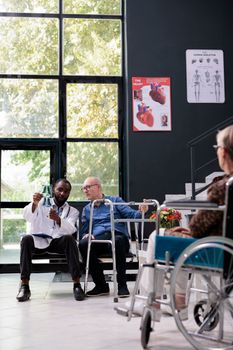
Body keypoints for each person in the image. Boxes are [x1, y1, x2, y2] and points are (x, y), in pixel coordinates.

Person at [130, 124, 233, 317]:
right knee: (177, 240)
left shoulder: (223, 186)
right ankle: (178, 300)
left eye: (217, 148)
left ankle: (154, 303)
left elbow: (197, 226)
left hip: (216, 252)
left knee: (158, 236)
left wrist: (190, 230)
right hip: (224, 247)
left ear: (224, 152)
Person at [16, 178, 85, 302]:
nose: (62, 193)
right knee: (26, 239)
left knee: (70, 239)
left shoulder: (73, 211)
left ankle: (77, 285)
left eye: (66, 191)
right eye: (60, 190)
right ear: (54, 189)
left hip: (56, 242)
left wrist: (58, 219)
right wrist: (34, 203)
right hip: (38, 241)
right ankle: (24, 286)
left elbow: (70, 229)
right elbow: (27, 216)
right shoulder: (41, 202)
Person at [79, 176, 148, 298]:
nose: (85, 190)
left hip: (117, 236)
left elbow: (133, 215)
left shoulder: (115, 201)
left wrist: (142, 211)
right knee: (84, 244)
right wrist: (86, 234)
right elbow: (84, 231)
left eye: (88, 187)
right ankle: (101, 285)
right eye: (83, 188)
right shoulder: (87, 209)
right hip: (99, 239)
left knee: (117, 242)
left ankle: (122, 285)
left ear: (98, 187)